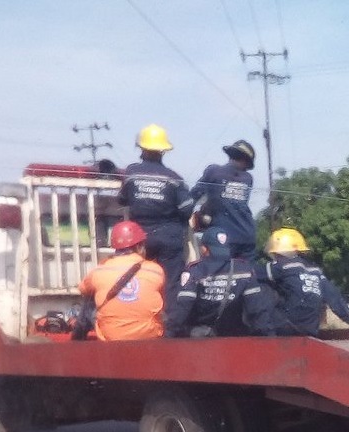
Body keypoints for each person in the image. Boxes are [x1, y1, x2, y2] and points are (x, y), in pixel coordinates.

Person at [116, 124, 194, 317]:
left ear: (141, 149)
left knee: (138, 278)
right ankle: (171, 326)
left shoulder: (131, 173)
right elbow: (187, 208)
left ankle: (140, 317)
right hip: (169, 237)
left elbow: (122, 199)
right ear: (163, 151)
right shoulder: (174, 178)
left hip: (139, 239)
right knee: (170, 282)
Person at [166, 226, 275, 338]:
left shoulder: (195, 270)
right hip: (234, 338)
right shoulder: (244, 270)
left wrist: (169, 335)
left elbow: (183, 306)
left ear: (204, 249)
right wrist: (268, 338)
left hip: (199, 340)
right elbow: (257, 310)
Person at [258, 228, 349, 337]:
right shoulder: (316, 271)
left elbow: (251, 275)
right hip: (310, 329)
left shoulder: (280, 267)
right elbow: (333, 296)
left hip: (286, 328)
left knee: (256, 290)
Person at [77, 220, 165, 341]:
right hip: (150, 336)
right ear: (139, 247)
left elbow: (82, 289)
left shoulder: (99, 271)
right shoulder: (156, 270)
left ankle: (77, 341)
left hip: (111, 338)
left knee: (91, 296)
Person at [190, 140, 256, 260]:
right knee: (246, 274)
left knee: (219, 274)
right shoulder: (248, 178)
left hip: (221, 238)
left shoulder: (214, 171)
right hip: (247, 236)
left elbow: (195, 195)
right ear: (245, 161)